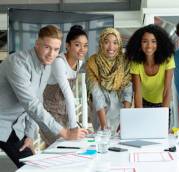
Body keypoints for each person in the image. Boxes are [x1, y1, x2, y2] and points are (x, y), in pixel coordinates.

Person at [0, 25, 87, 168]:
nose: (51, 54)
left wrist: (29, 135)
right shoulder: (17, 63)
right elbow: (31, 104)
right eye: (47, 47)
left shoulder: (47, 65)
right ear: (37, 44)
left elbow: (38, 99)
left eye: (56, 49)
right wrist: (65, 132)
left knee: (32, 166)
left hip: (13, 127)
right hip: (2, 122)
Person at [40, 25, 88, 146]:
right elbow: (68, 95)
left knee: (74, 147)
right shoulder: (58, 62)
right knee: (60, 148)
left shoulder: (79, 62)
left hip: (64, 115)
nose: (82, 49)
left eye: (85, 45)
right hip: (50, 115)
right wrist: (73, 128)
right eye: (77, 45)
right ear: (67, 45)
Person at [86, 28, 132, 135]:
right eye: (107, 42)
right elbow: (96, 93)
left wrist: (124, 120)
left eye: (115, 43)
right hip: (100, 112)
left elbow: (128, 90)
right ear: (101, 43)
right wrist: (104, 125)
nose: (111, 47)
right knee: (103, 143)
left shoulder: (125, 62)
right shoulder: (92, 62)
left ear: (119, 44)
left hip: (120, 111)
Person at [125, 24, 175, 108]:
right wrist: (140, 112)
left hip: (164, 101)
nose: (149, 46)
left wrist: (163, 113)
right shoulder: (135, 62)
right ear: (139, 44)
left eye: (153, 41)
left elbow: (167, 90)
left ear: (159, 43)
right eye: (145, 41)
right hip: (144, 101)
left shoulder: (168, 59)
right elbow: (137, 92)